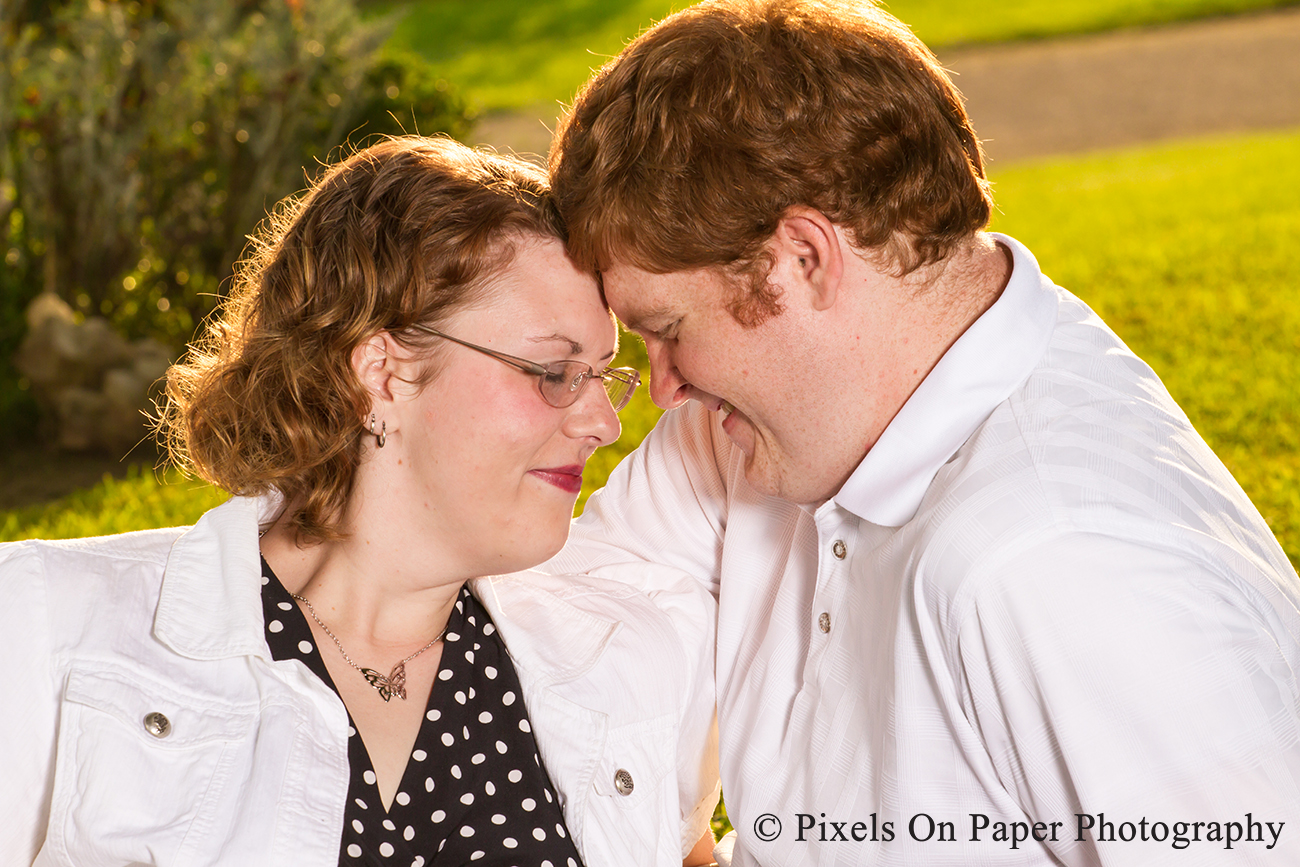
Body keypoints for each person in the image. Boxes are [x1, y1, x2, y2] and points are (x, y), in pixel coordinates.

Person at [542, 1, 1300, 864]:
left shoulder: (1060, 563)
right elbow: (557, 648)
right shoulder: (756, 434)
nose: (663, 386)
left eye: (669, 328)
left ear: (802, 259)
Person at [0, 136, 720, 866]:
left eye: (602, 373)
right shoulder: (41, 630)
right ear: (383, 372)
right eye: (555, 370)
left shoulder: (628, 660)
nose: (602, 421)